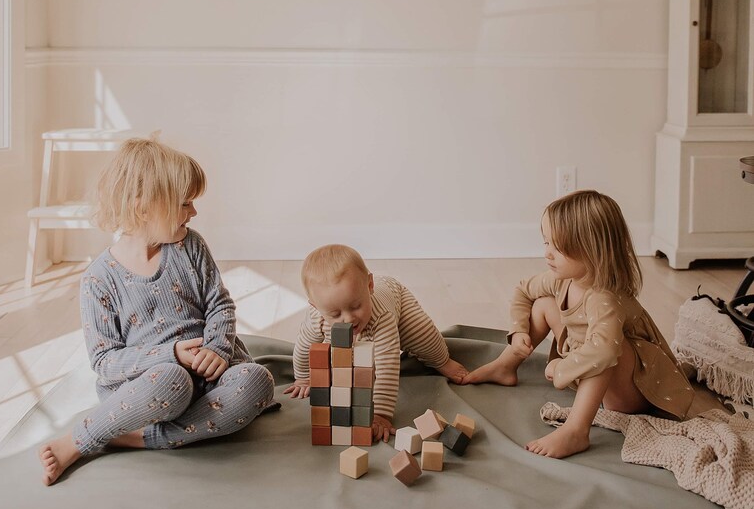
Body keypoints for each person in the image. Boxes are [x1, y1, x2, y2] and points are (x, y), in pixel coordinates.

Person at [38, 137, 275, 485]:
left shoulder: (190, 245)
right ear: (143, 209)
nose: (193, 212)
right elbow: (105, 361)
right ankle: (82, 438)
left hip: (213, 380)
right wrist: (171, 354)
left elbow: (219, 303)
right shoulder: (99, 279)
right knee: (172, 380)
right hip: (151, 389)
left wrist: (218, 349)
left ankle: (137, 438)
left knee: (258, 380)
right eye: (185, 203)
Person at [464, 190, 695, 459]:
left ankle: (576, 430)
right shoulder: (564, 279)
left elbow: (605, 352)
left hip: (634, 390)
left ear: (592, 250)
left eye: (558, 247)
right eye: (546, 242)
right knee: (543, 305)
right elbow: (523, 291)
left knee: (608, 349)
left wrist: (561, 368)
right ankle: (507, 366)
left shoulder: (602, 297)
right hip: (589, 358)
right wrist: (518, 334)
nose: (547, 253)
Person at [284, 244, 469, 441]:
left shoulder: (382, 317)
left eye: (356, 306)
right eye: (335, 314)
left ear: (369, 286)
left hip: (397, 301)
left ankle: (441, 360)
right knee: (347, 357)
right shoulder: (317, 318)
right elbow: (304, 347)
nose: (347, 319)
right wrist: (304, 377)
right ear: (315, 306)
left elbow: (388, 365)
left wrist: (381, 414)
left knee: (422, 334)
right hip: (353, 325)